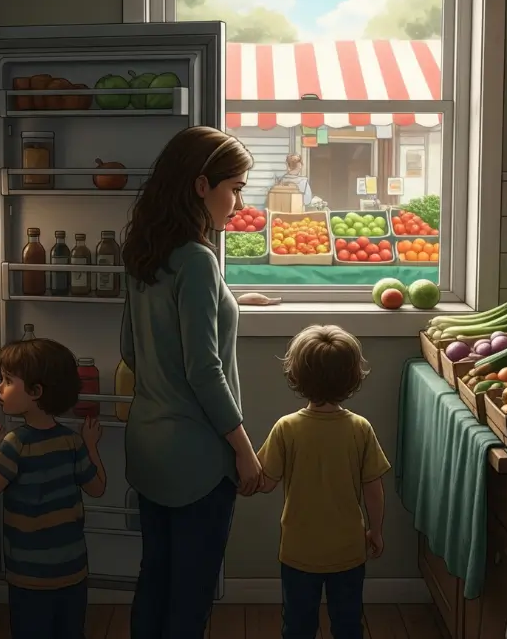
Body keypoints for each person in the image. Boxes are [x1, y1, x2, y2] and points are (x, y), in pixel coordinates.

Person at [119, 125, 260, 638]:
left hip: (148, 445)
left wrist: (229, 308)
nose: (238, 202)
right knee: (192, 597)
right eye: (235, 188)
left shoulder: (144, 251)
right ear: (202, 186)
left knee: (154, 580)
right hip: (197, 458)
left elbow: (131, 349)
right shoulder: (199, 261)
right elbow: (205, 370)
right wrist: (242, 448)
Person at [257, 325, 392, 639]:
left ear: (297, 376)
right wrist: (376, 530)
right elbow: (374, 489)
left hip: (298, 551)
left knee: (298, 626)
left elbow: (265, 482)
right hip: (348, 551)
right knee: (347, 625)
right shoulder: (360, 428)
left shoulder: (286, 428)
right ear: (353, 377)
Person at [0, 338, 107, 639]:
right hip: (72, 569)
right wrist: (91, 445)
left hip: (28, 574)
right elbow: (97, 487)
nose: (0, 388)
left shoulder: (15, 444)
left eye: (8, 381)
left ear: (35, 392)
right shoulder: (71, 441)